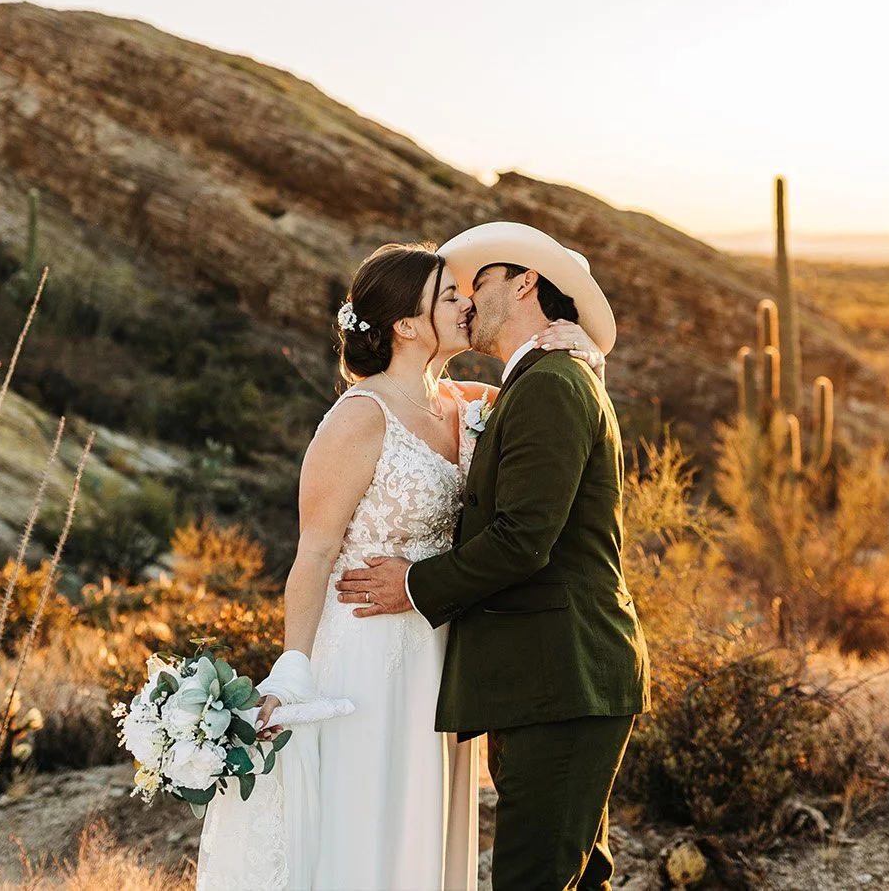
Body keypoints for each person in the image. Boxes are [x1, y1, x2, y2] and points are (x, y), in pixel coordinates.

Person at [193, 241, 605, 891]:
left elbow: (551, 406)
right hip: (368, 649)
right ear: (408, 325)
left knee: (430, 831)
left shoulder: (464, 405)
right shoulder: (358, 417)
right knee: (372, 827)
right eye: (449, 295)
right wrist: (292, 668)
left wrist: (585, 347)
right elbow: (316, 552)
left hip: (444, 651)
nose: (467, 302)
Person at [337, 222, 652, 891]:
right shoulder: (539, 382)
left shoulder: (551, 384)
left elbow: (523, 538)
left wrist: (415, 585)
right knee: (572, 877)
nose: (469, 300)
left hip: (564, 678)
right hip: (544, 681)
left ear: (526, 282)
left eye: (480, 282)